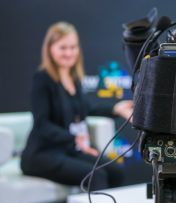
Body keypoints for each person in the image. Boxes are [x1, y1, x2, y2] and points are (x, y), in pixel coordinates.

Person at [21, 22, 133, 190]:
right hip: (42, 154)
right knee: (96, 175)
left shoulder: (74, 78)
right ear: (50, 49)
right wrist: (75, 139)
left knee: (115, 171)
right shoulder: (42, 79)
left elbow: (87, 108)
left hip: (68, 149)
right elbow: (42, 124)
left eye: (73, 47)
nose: (69, 52)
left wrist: (115, 108)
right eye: (63, 47)